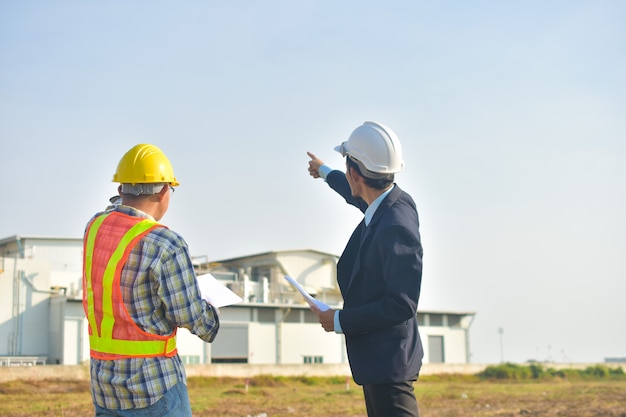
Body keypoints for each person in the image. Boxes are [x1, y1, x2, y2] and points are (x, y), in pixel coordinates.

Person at [82, 144, 220, 416]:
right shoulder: (166, 243)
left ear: (120, 189)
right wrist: (211, 313)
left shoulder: (95, 226)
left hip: (104, 385)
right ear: (163, 191)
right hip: (154, 385)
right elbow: (191, 317)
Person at [307, 121, 424, 417]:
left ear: (355, 174)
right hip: (379, 360)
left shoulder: (394, 224)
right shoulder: (388, 203)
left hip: (389, 364)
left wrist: (340, 320)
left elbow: (402, 304)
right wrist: (323, 172)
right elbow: (354, 193)